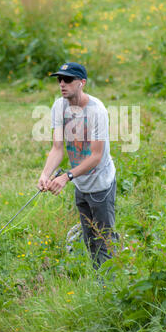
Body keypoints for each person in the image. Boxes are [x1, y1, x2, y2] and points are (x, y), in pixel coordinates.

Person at [37, 62, 118, 270]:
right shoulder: (59, 106)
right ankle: (101, 286)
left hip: (100, 185)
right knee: (90, 242)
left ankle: (111, 288)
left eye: (68, 80)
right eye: (59, 80)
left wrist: (66, 177)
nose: (62, 84)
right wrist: (46, 174)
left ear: (82, 83)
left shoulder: (97, 111)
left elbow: (96, 156)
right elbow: (57, 148)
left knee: (104, 242)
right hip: (80, 185)